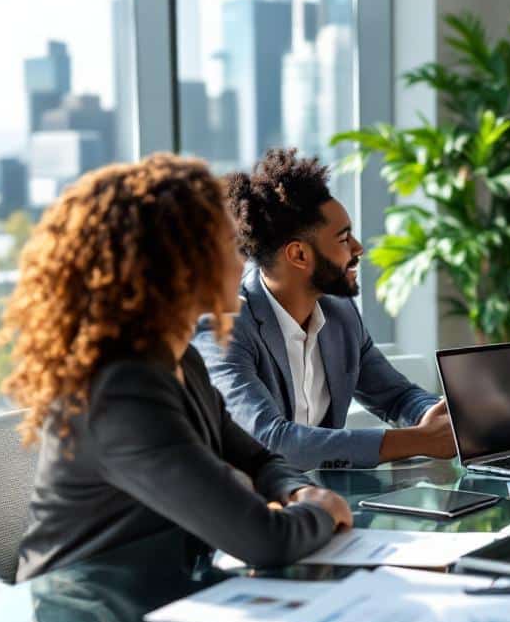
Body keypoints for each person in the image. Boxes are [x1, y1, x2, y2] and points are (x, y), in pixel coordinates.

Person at [2, 154, 362, 622]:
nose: (241, 257)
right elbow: (261, 539)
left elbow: (258, 457)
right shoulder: (121, 390)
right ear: (176, 264)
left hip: (179, 603)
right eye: (224, 243)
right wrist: (318, 511)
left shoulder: (179, 360)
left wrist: (296, 487)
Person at [194, 148, 454, 471]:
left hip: (326, 502)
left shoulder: (340, 314)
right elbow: (271, 441)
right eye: (344, 238)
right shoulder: (225, 327)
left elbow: (397, 397)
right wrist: (420, 441)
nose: (358, 248)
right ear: (299, 255)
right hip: (249, 508)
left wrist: (442, 416)